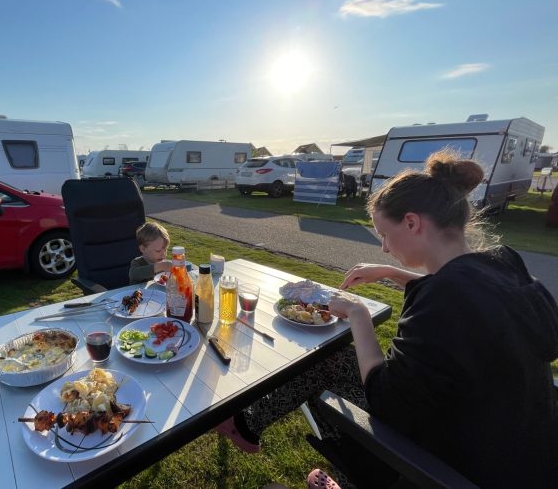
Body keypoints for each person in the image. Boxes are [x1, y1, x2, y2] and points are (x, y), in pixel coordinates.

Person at [231, 149, 558, 487]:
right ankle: (247, 424)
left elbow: (384, 399)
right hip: (522, 455)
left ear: (412, 222)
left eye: (385, 235)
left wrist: (358, 314)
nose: (385, 248)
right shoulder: (503, 264)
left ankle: (344, 472)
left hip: (442, 468)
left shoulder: (443, 301)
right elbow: (469, 295)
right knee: (334, 360)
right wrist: (391, 272)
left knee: (321, 365)